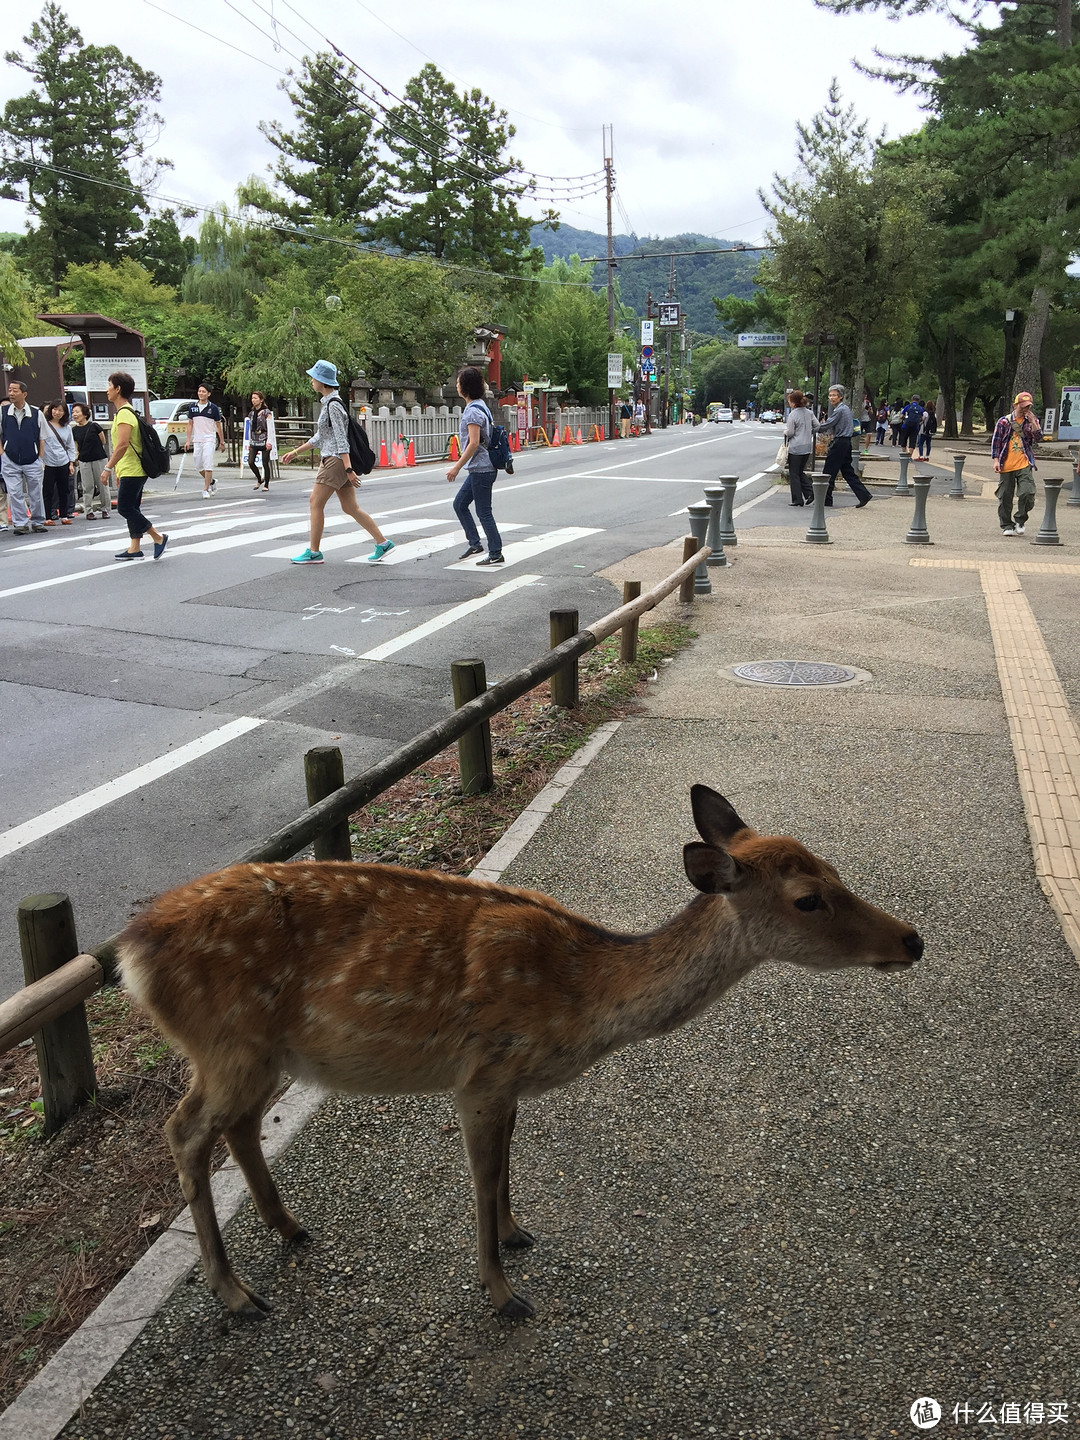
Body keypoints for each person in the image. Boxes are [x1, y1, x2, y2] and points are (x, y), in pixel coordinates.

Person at [281, 359, 393, 565]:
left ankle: (314, 552)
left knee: (315, 502)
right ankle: (382, 542)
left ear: (322, 381)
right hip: (338, 460)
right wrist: (296, 451)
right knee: (350, 507)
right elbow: (321, 437)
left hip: (334, 461)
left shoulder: (333, 405)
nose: (311, 380)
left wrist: (349, 468)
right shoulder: (331, 403)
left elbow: (341, 440)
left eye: (314, 377)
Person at [100, 371, 169, 561]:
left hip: (133, 469)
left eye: (109, 385)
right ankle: (134, 547)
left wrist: (107, 468)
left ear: (118, 389)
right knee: (133, 507)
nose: (107, 390)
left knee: (124, 508)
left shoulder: (124, 414)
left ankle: (157, 537)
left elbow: (122, 445)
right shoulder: (127, 412)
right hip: (131, 468)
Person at [446, 365, 502, 565]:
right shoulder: (480, 405)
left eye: (459, 381)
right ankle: (475, 542)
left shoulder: (472, 412)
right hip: (480, 468)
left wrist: (456, 467)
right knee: (460, 504)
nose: (456, 385)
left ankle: (495, 552)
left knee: (483, 511)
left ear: (465, 387)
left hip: (482, 468)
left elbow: (474, 442)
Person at [992, 391, 1042, 537]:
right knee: (1005, 496)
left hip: (1024, 462)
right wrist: (995, 460)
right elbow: (996, 442)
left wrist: (1033, 422)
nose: (1026, 408)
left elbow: (1038, 437)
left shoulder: (1031, 420)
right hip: (1006, 463)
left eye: (1028, 406)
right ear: (1015, 405)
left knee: (1027, 492)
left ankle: (1020, 519)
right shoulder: (1004, 422)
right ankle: (1007, 524)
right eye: (1023, 406)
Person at [0, 379, 47, 534]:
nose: (11, 393)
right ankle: (20, 523)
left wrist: (40, 458)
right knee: (14, 492)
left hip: (32, 459)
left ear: (24, 394)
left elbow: (42, 437)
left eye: (15, 390)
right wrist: (3, 454)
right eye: (10, 390)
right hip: (10, 458)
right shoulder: (3, 412)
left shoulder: (36, 413)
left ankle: (38, 521)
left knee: (36, 492)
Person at [816, 385, 873, 507]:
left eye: (834, 395)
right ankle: (864, 495)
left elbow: (827, 424)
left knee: (828, 471)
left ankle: (826, 499)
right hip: (846, 442)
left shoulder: (840, 410)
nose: (831, 398)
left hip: (840, 443)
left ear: (840, 397)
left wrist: (813, 428)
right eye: (830, 395)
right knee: (847, 471)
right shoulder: (845, 409)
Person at [71, 401, 111, 518]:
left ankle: (105, 509)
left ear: (84, 414)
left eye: (77, 412)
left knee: (102, 485)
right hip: (84, 460)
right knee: (87, 486)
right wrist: (76, 457)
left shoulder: (94, 426)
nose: (75, 414)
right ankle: (88, 511)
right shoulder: (74, 430)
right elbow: (76, 446)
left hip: (99, 458)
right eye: (73, 412)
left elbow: (103, 440)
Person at [184, 383, 224, 498]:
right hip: (197, 439)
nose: (201, 393)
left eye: (203, 391)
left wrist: (221, 441)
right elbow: (190, 424)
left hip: (209, 439)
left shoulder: (214, 408)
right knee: (198, 465)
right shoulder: (193, 407)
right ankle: (212, 482)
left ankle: (205, 489)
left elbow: (218, 426)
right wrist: (188, 440)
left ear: (209, 394)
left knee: (208, 464)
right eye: (199, 391)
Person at [41, 400, 77, 524]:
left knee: (64, 489)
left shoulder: (67, 428)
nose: (57, 412)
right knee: (48, 490)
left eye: (60, 410)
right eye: (55, 409)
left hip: (63, 461)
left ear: (64, 413)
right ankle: (48, 517)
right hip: (48, 462)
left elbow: (70, 446)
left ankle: (64, 515)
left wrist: (71, 462)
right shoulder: (44, 425)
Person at [783, 389, 816, 505]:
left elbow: (791, 432)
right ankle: (809, 493)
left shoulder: (793, 415)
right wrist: (809, 432)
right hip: (807, 446)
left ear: (793, 402)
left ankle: (798, 499)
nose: (789, 404)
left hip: (796, 447)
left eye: (790, 401)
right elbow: (817, 426)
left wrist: (785, 432)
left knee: (794, 473)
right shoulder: (809, 413)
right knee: (799, 471)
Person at [246, 391, 276, 490]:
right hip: (254, 439)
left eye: (256, 398)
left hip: (264, 438)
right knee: (250, 462)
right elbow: (250, 428)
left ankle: (266, 484)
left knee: (264, 462)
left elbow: (270, 427)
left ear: (261, 400)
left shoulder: (266, 413)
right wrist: (250, 441)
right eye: (252, 398)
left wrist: (269, 441)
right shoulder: (251, 413)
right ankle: (259, 478)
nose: (253, 400)